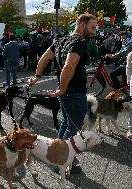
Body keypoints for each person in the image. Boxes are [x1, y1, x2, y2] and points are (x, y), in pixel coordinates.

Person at [28, 14, 97, 172]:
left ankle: (55, 155)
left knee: (67, 123)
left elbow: (44, 58)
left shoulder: (61, 40)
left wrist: (37, 76)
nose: (94, 32)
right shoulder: (79, 42)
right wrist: (62, 89)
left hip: (66, 92)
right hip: (73, 92)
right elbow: (68, 66)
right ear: (81, 24)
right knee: (72, 127)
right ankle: (61, 160)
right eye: (92, 27)